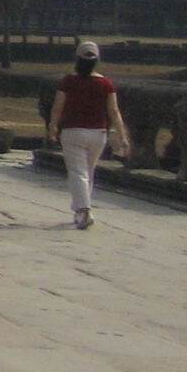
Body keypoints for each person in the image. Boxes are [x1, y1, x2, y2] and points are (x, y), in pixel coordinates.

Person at [49, 41, 131, 230]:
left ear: (77, 59)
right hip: (97, 133)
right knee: (88, 171)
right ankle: (83, 210)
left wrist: (53, 125)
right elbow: (114, 111)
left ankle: (83, 210)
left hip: (72, 131)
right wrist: (122, 135)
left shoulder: (68, 81)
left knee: (78, 171)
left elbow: (57, 107)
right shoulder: (106, 83)